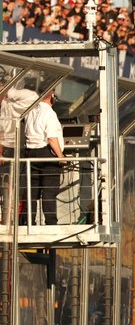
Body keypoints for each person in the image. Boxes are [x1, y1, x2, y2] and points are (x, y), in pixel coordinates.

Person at [21, 89, 66, 225]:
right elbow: (52, 138)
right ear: (52, 97)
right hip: (46, 153)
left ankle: (28, 221)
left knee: (32, 191)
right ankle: (51, 223)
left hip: (31, 153)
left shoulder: (30, 112)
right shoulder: (50, 114)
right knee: (49, 191)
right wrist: (61, 157)